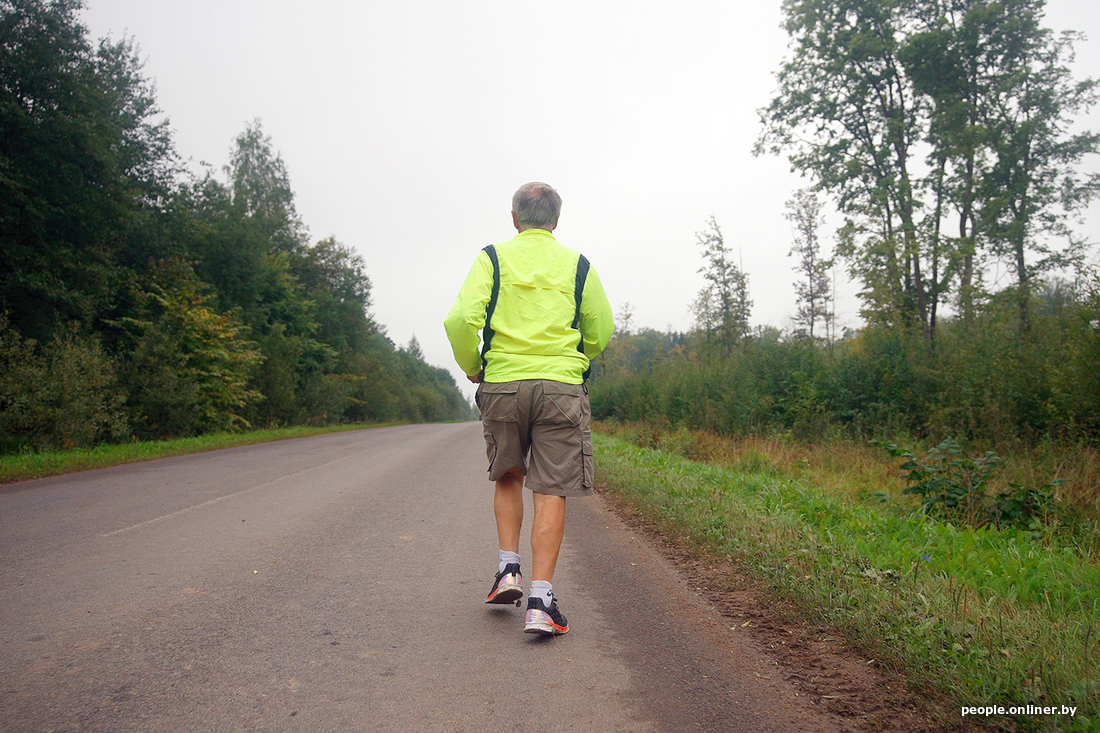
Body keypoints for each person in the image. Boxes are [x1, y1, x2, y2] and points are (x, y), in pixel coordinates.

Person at [444, 182, 614, 636]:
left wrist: (474, 366)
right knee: (551, 488)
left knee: (508, 473)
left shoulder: (492, 258)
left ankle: (508, 571)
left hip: (502, 382)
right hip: (560, 386)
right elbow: (601, 328)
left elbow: (460, 320)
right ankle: (540, 602)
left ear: (515, 218)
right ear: (556, 220)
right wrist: (576, 357)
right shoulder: (578, 264)